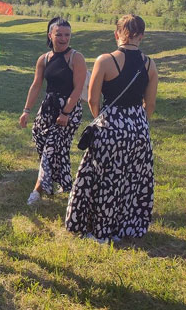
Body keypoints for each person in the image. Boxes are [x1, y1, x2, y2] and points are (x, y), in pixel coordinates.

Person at [66, 14, 158, 243]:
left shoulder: (105, 60)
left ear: (116, 34)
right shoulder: (150, 64)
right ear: (142, 36)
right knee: (131, 180)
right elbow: (151, 104)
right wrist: (136, 124)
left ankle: (100, 232)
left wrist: (105, 122)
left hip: (111, 125)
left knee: (104, 180)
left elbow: (92, 100)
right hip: (139, 128)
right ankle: (125, 228)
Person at [18, 17, 87, 205]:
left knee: (51, 148)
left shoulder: (76, 58)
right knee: (42, 140)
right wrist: (26, 111)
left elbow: (78, 88)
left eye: (67, 35)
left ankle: (38, 190)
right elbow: (36, 85)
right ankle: (65, 183)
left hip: (68, 109)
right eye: (59, 34)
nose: (64, 38)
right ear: (50, 35)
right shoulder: (44, 59)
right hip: (48, 107)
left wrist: (65, 113)